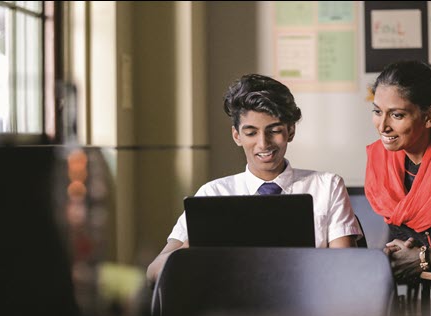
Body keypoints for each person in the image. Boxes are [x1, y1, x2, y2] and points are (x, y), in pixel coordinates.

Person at [146, 73, 362, 283]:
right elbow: (154, 272)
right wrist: (196, 244)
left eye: (274, 130)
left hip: (308, 308)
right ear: (236, 136)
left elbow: (344, 270)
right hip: (231, 310)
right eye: (251, 133)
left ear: (291, 131)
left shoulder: (327, 187)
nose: (263, 143)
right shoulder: (212, 194)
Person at [365, 60, 431, 283]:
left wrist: (428, 257)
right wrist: (396, 252)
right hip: (425, 306)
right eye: (377, 111)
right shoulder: (383, 162)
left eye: (397, 115)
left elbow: (422, 255)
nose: (382, 126)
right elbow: (405, 242)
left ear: (429, 115)